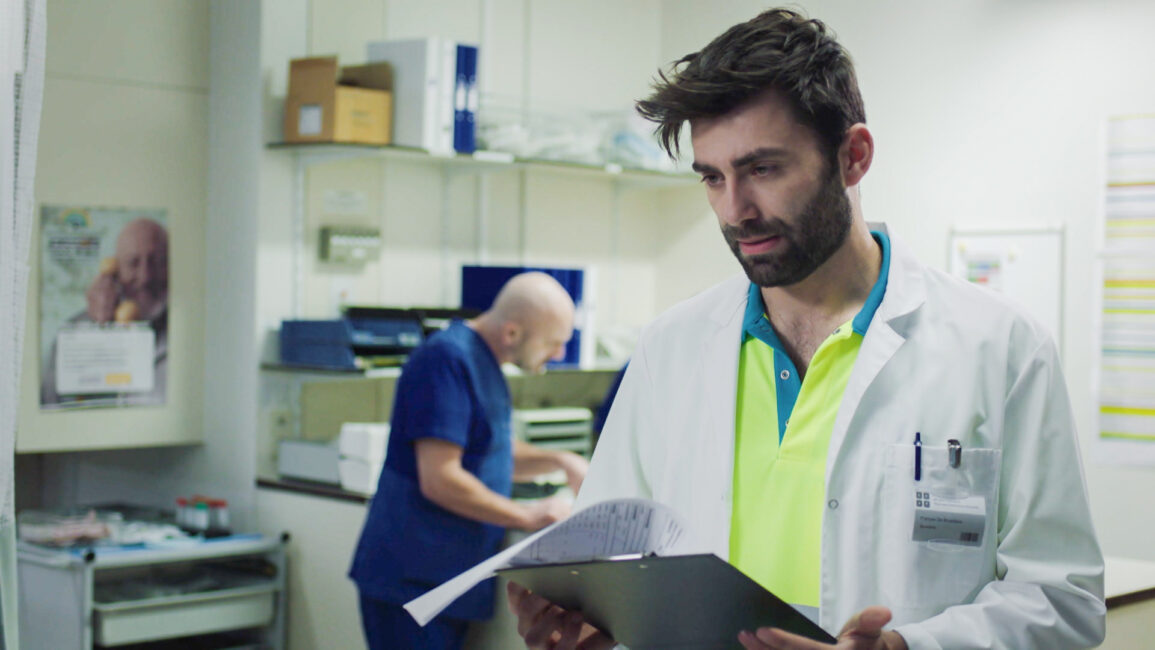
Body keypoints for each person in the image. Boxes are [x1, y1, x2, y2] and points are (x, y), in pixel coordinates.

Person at [508, 8, 1104, 650]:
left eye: (762, 169)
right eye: (713, 177)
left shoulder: (999, 346)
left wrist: (909, 648)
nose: (735, 210)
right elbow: (613, 570)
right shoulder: (671, 348)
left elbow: (1062, 599)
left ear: (853, 156)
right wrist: (592, 632)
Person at [349, 271, 591, 650]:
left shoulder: (485, 364)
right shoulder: (445, 360)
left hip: (447, 581)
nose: (559, 355)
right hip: (413, 583)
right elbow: (441, 477)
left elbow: (490, 447)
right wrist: (528, 516)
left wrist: (561, 460)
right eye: (554, 343)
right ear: (512, 332)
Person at [41, 216, 169, 407]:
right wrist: (97, 331)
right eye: (133, 263)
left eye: (157, 262)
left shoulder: (192, 330)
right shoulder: (74, 332)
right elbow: (51, 405)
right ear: (115, 270)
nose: (145, 277)